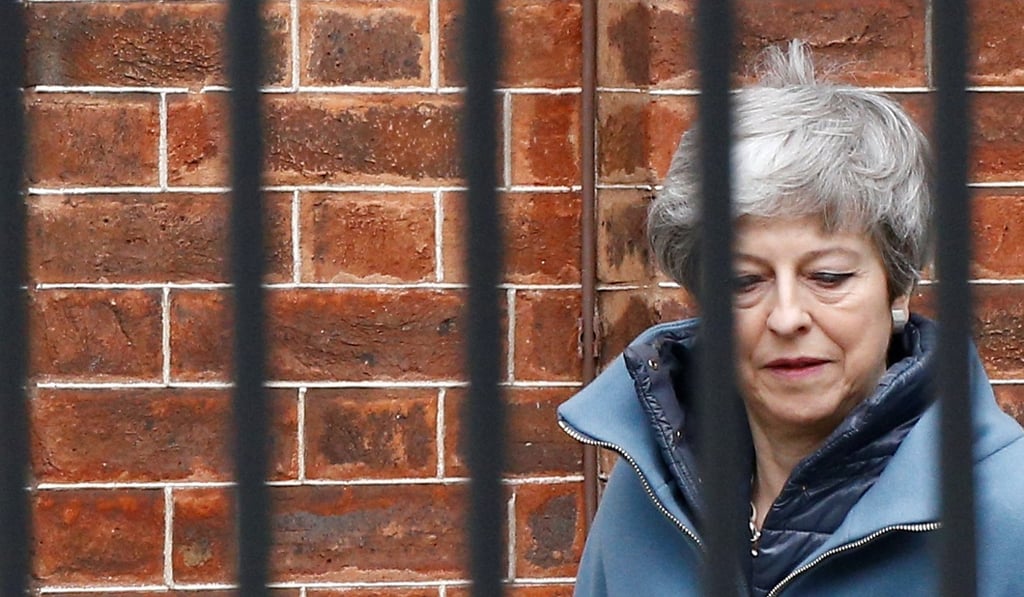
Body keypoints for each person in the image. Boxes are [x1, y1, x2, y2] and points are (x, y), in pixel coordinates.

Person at [558, 41, 1024, 596]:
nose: (786, 317)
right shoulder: (647, 498)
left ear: (897, 288)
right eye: (744, 282)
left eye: (828, 277)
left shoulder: (1005, 512)